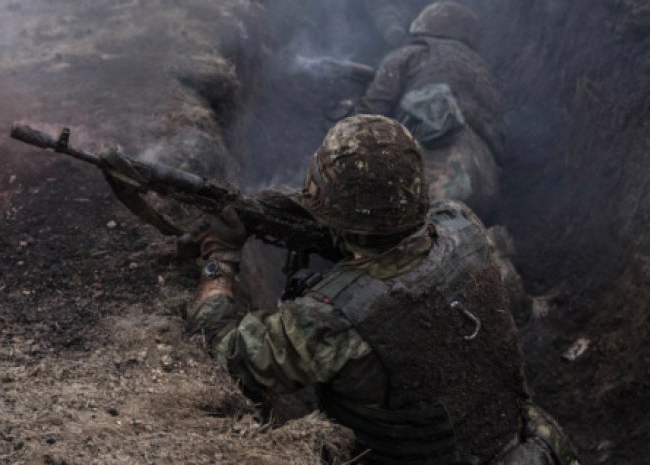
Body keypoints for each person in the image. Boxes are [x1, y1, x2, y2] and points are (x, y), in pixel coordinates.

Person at [185, 115, 578, 465]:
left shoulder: (334, 319)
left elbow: (227, 353)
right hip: (530, 445)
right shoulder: (463, 225)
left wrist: (219, 257)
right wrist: (273, 210)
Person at [355, 1, 503, 219]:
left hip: (434, 172)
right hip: (487, 183)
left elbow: (372, 109)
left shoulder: (414, 52)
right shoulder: (484, 73)